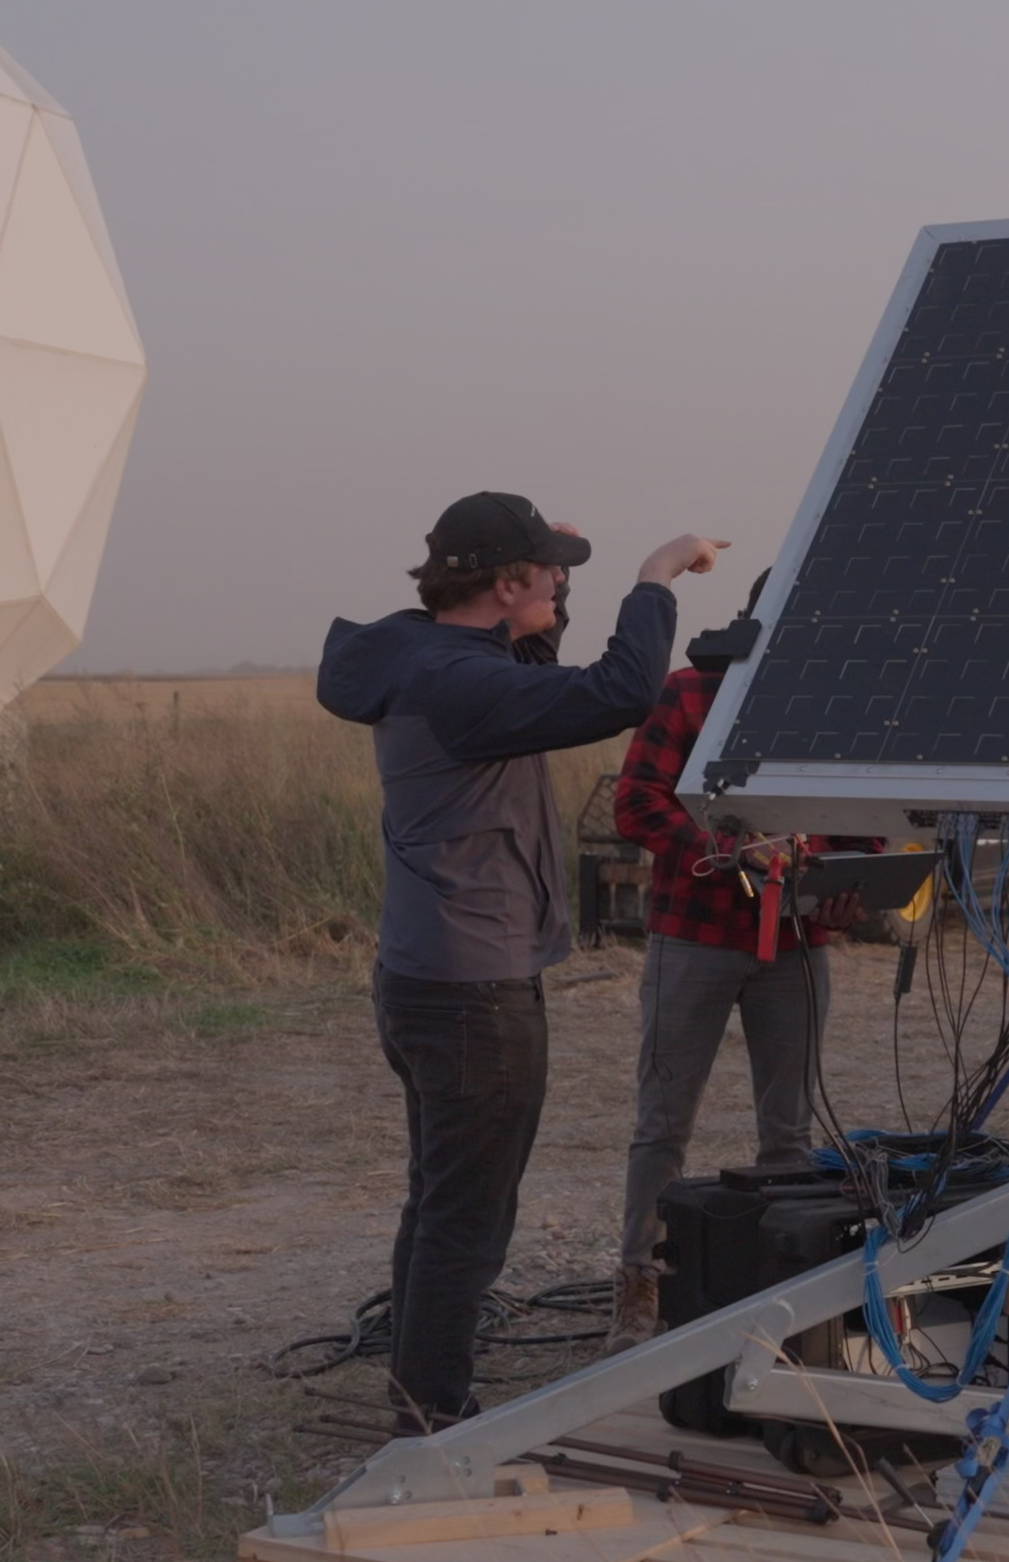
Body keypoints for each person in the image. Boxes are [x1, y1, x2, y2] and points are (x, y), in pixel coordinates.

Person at [315, 492, 726, 1430]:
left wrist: (562, 569)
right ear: (502, 586)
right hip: (473, 993)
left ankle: (423, 1393)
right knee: (470, 1216)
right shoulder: (460, 687)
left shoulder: (431, 661)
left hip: (429, 976)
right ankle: (433, 1421)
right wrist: (653, 580)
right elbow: (618, 692)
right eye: (544, 572)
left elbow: (528, 663)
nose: (556, 583)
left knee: (442, 1198)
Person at [609, 576, 863, 1342]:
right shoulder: (690, 692)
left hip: (797, 943)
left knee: (789, 1130)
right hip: (694, 937)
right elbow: (636, 803)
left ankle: (778, 1287)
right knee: (663, 1122)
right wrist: (722, 851)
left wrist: (853, 875)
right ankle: (640, 1289)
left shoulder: (837, 705)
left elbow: (860, 817)